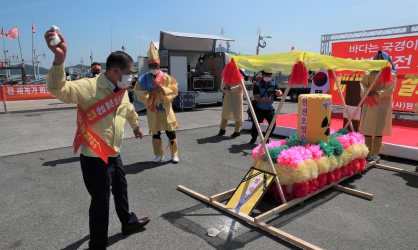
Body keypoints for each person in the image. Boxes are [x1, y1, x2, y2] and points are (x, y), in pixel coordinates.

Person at [44, 29, 150, 250]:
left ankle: (128, 222)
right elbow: (58, 89)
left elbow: (129, 110)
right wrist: (59, 59)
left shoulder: (121, 90)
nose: (132, 77)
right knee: (101, 203)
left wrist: (136, 127)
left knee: (121, 189)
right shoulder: (90, 87)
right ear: (115, 71)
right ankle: (98, 245)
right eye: (129, 73)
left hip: (114, 153)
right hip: (94, 158)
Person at [134, 43, 180, 164]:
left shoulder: (166, 77)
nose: (155, 67)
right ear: (149, 66)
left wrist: (163, 89)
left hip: (165, 109)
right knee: (155, 133)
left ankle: (174, 154)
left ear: (160, 65)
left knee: (170, 132)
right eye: (153, 65)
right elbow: (138, 93)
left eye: (157, 65)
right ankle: (159, 155)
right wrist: (150, 92)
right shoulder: (143, 79)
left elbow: (174, 90)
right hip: (153, 110)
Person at [360, 50, 397, 163]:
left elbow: (389, 89)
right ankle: (367, 152)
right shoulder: (369, 72)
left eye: (382, 58)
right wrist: (367, 92)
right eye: (378, 57)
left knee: (378, 130)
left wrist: (376, 93)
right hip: (369, 103)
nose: (380, 59)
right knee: (367, 128)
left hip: (381, 104)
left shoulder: (391, 74)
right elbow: (362, 84)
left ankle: (375, 153)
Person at [250, 70, 283, 144]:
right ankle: (253, 137)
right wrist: (265, 100)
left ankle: (266, 138)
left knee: (273, 124)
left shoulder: (273, 83)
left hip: (269, 109)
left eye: (269, 76)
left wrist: (279, 93)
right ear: (262, 75)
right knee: (256, 124)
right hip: (259, 108)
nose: (268, 77)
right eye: (266, 76)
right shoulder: (257, 85)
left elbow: (280, 92)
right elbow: (257, 98)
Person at [217, 69, 247, 137]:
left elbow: (240, 86)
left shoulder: (239, 77)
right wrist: (225, 87)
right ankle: (222, 129)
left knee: (237, 115)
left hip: (236, 98)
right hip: (227, 98)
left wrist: (230, 87)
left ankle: (237, 131)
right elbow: (222, 85)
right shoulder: (226, 77)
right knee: (225, 113)